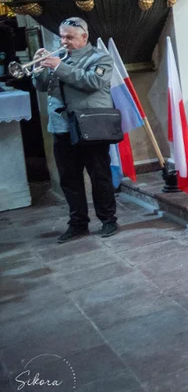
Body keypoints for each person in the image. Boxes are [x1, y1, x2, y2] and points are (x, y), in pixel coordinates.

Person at [31, 17, 117, 242]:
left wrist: (58, 66)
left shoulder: (101, 58)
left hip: (90, 127)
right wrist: (39, 68)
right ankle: (78, 223)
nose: (64, 41)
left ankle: (108, 220)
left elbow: (91, 82)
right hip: (61, 128)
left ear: (84, 36)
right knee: (69, 180)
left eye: (69, 37)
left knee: (100, 176)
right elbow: (41, 87)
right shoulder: (58, 58)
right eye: (62, 36)